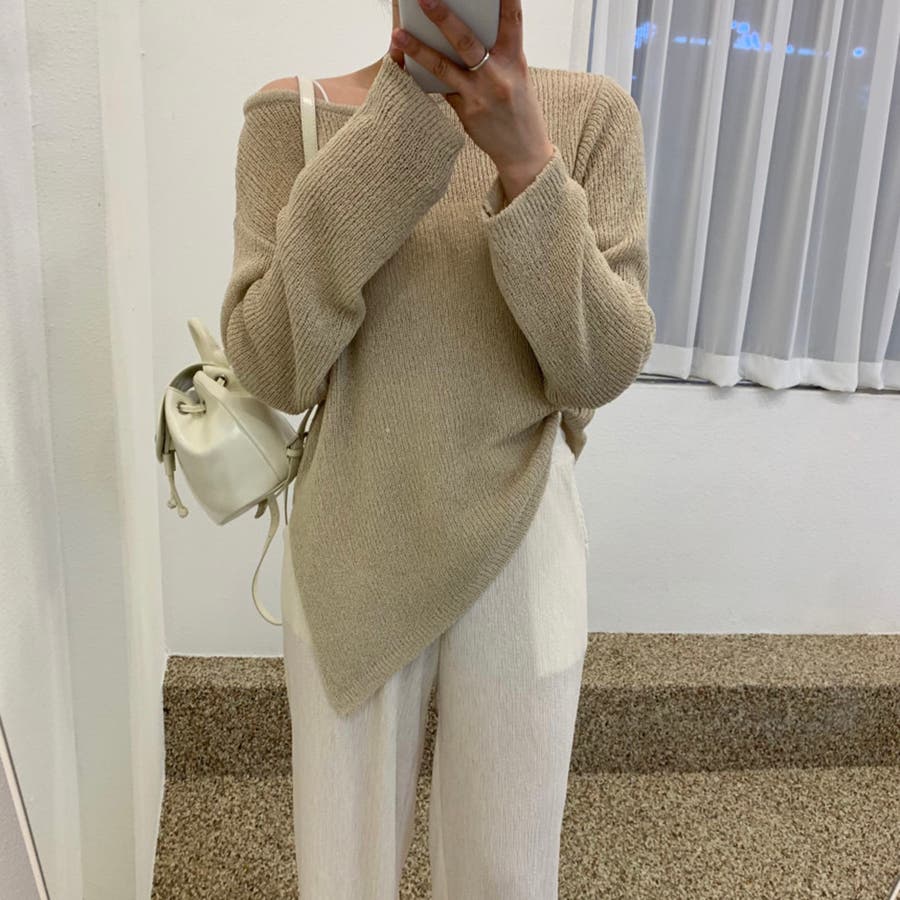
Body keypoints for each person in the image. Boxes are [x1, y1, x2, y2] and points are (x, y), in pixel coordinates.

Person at [219, 0, 654, 895]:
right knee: (340, 874)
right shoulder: (291, 116)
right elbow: (272, 366)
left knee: (508, 873)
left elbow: (601, 365)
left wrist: (526, 160)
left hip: (524, 535)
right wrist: (400, 128)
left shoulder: (591, 116)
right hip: (351, 536)